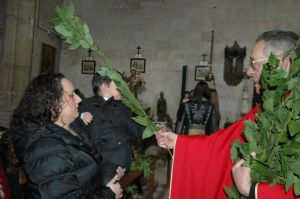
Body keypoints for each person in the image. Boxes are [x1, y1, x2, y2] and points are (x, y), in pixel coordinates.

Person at [155, 30, 299, 199]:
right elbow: (223, 143)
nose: (249, 72)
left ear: (283, 64)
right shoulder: (266, 110)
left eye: (254, 64)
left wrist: (253, 191)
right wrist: (180, 142)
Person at [8, 73, 123, 198]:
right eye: (72, 95)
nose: (79, 99)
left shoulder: (72, 127)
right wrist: (109, 194)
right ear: (53, 103)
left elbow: (85, 167)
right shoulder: (45, 148)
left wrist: (109, 173)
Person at [76, 72, 145, 187]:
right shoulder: (86, 104)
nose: (122, 88)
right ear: (104, 86)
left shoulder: (124, 107)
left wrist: (153, 129)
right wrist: (82, 116)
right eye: (118, 84)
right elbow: (72, 124)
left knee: (106, 185)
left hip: (114, 158)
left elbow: (136, 129)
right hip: (90, 157)